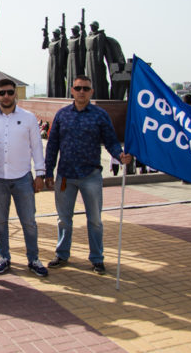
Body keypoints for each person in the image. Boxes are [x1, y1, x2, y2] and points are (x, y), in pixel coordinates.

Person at [45, 76, 132, 274]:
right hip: (65, 176)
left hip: (90, 175)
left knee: (95, 220)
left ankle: (97, 258)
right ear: (72, 91)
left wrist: (120, 155)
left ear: (91, 92)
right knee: (63, 219)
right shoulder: (62, 115)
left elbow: (111, 141)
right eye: (78, 88)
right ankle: (62, 254)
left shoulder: (100, 115)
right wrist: (48, 171)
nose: (82, 92)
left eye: (85, 88)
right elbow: (52, 145)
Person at [0, 78, 48, 277]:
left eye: (10, 92)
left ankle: (33, 259)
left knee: (29, 221)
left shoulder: (29, 118)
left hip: (23, 178)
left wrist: (40, 173)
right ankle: (4, 257)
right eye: (2, 93)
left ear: (15, 93)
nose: (6, 96)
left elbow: (37, 147)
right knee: (0, 221)